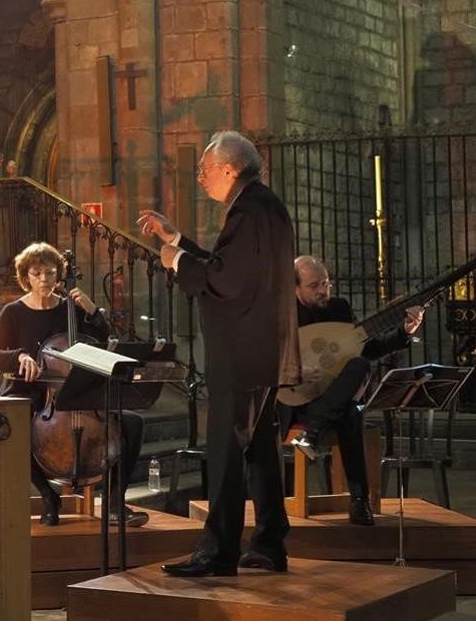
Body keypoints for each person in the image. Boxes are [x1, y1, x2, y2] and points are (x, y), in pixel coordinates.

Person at [137, 130, 299, 577]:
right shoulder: (263, 206)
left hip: (242, 351)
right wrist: (181, 241)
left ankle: (218, 551)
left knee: (227, 450)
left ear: (229, 168)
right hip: (261, 349)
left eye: (205, 170)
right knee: (261, 448)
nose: (201, 179)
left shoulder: (249, 211)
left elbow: (224, 281)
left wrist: (176, 262)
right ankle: (269, 542)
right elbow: (230, 269)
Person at [0, 242, 149, 528]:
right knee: (10, 429)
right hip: (29, 390)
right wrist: (19, 355)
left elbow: (108, 341)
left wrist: (93, 311)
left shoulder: (70, 308)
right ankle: (49, 497)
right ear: (26, 277)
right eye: (37, 273)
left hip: (73, 392)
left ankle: (114, 503)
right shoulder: (13, 312)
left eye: (50, 272)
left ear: (59, 275)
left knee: (132, 424)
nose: (44, 279)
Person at [285, 255, 424, 526]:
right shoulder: (282, 314)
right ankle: (359, 501)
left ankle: (312, 433)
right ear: (295, 288)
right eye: (314, 285)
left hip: (330, 397)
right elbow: (266, 357)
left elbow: (368, 348)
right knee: (350, 411)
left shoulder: (339, 308)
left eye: (326, 283)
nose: (324, 290)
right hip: (299, 398)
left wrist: (405, 333)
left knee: (359, 365)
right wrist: (296, 370)